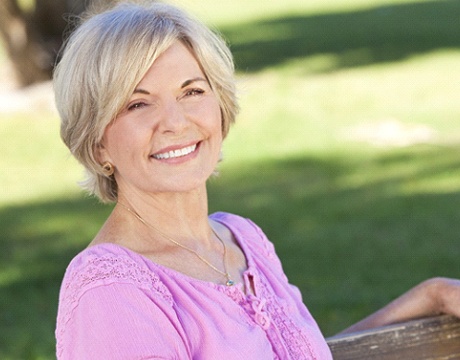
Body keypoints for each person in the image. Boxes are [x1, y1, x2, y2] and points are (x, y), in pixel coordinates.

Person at [53, 1, 460, 359]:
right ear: (98, 143)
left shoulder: (241, 239)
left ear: (220, 106)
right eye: (138, 104)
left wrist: (431, 296)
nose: (175, 122)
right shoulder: (110, 293)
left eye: (192, 91)